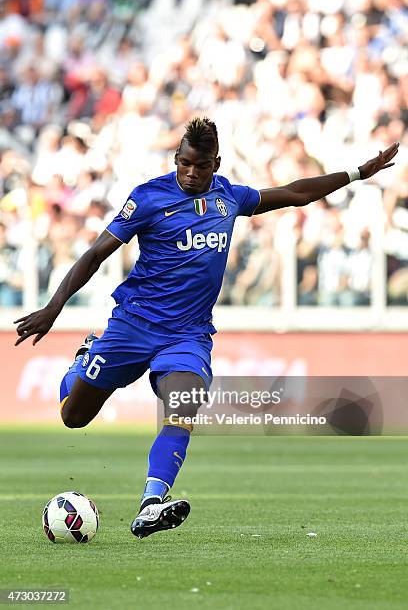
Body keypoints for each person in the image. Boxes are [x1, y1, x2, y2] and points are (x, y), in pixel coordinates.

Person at [14, 117, 399, 538]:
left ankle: (150, 503)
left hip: (187, 335)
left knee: (183, 406)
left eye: (200, 166)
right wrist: (54, 307)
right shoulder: (147, 198)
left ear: (216, 163)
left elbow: (295, 193)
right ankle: (86, 358)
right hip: (133, 324)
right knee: (74, 417)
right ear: (176, 159)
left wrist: (358, 173)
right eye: (184, 164)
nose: (191, 173)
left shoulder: (228, 197)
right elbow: (94, 255)